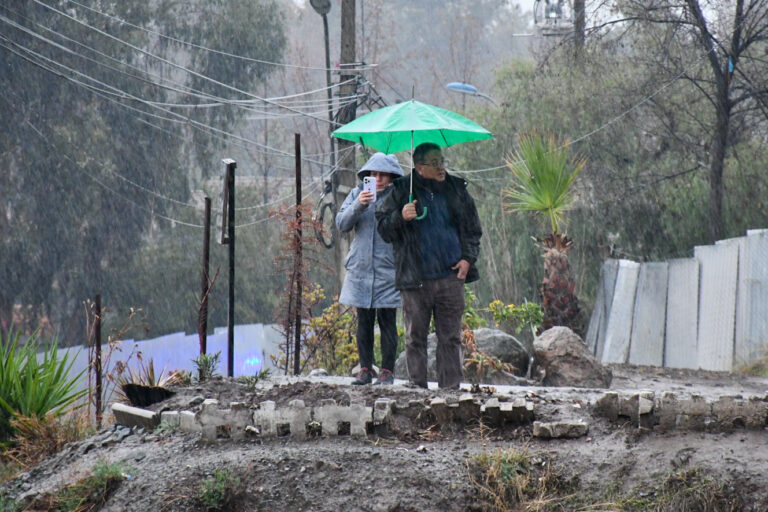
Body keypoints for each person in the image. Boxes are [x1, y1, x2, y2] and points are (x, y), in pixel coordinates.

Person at [376, 142, 482, 389]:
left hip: (450, 276)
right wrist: (400, 217)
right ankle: (417, 389)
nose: (441, 167)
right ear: (419, 168)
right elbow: (383, 228)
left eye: (442, 161)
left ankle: (451, 391)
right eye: (434, 163)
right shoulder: (402, 190)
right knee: (415, 338)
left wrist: (467, 259)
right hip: (416, 279)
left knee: (450, 338)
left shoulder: (456, 189)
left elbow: (473, 229)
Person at [336, 152, 404, 385]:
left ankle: (387, 371)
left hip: (388, 269)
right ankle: (365, 369)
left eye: (383, 174)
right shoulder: (357, 195)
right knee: (364, 321)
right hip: (361, 269)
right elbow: (342, 224)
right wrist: (359, 205)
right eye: (373, 174)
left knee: (387, 321)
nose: (378, 179)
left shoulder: (399, 197)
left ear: (392, 176)